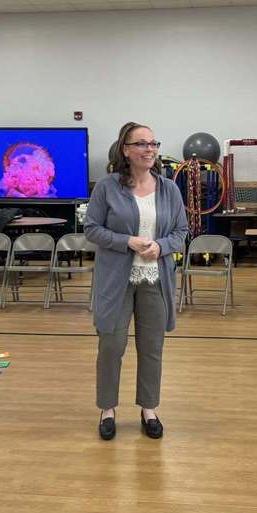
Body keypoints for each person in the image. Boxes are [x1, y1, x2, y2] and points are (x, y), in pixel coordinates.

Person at [85, 122, 189, 441]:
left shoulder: (169, 188)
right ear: (125, 150)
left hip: (155, 278)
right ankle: (107, 409)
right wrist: (126, 241)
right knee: (112, 346)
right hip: (116, 280)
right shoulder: (107, 187)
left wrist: (161, 246)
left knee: (152, 348)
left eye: (153, 143)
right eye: (141, 144)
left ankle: (149, 409)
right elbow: (91, 229)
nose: (149, 149)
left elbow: (181, 233)